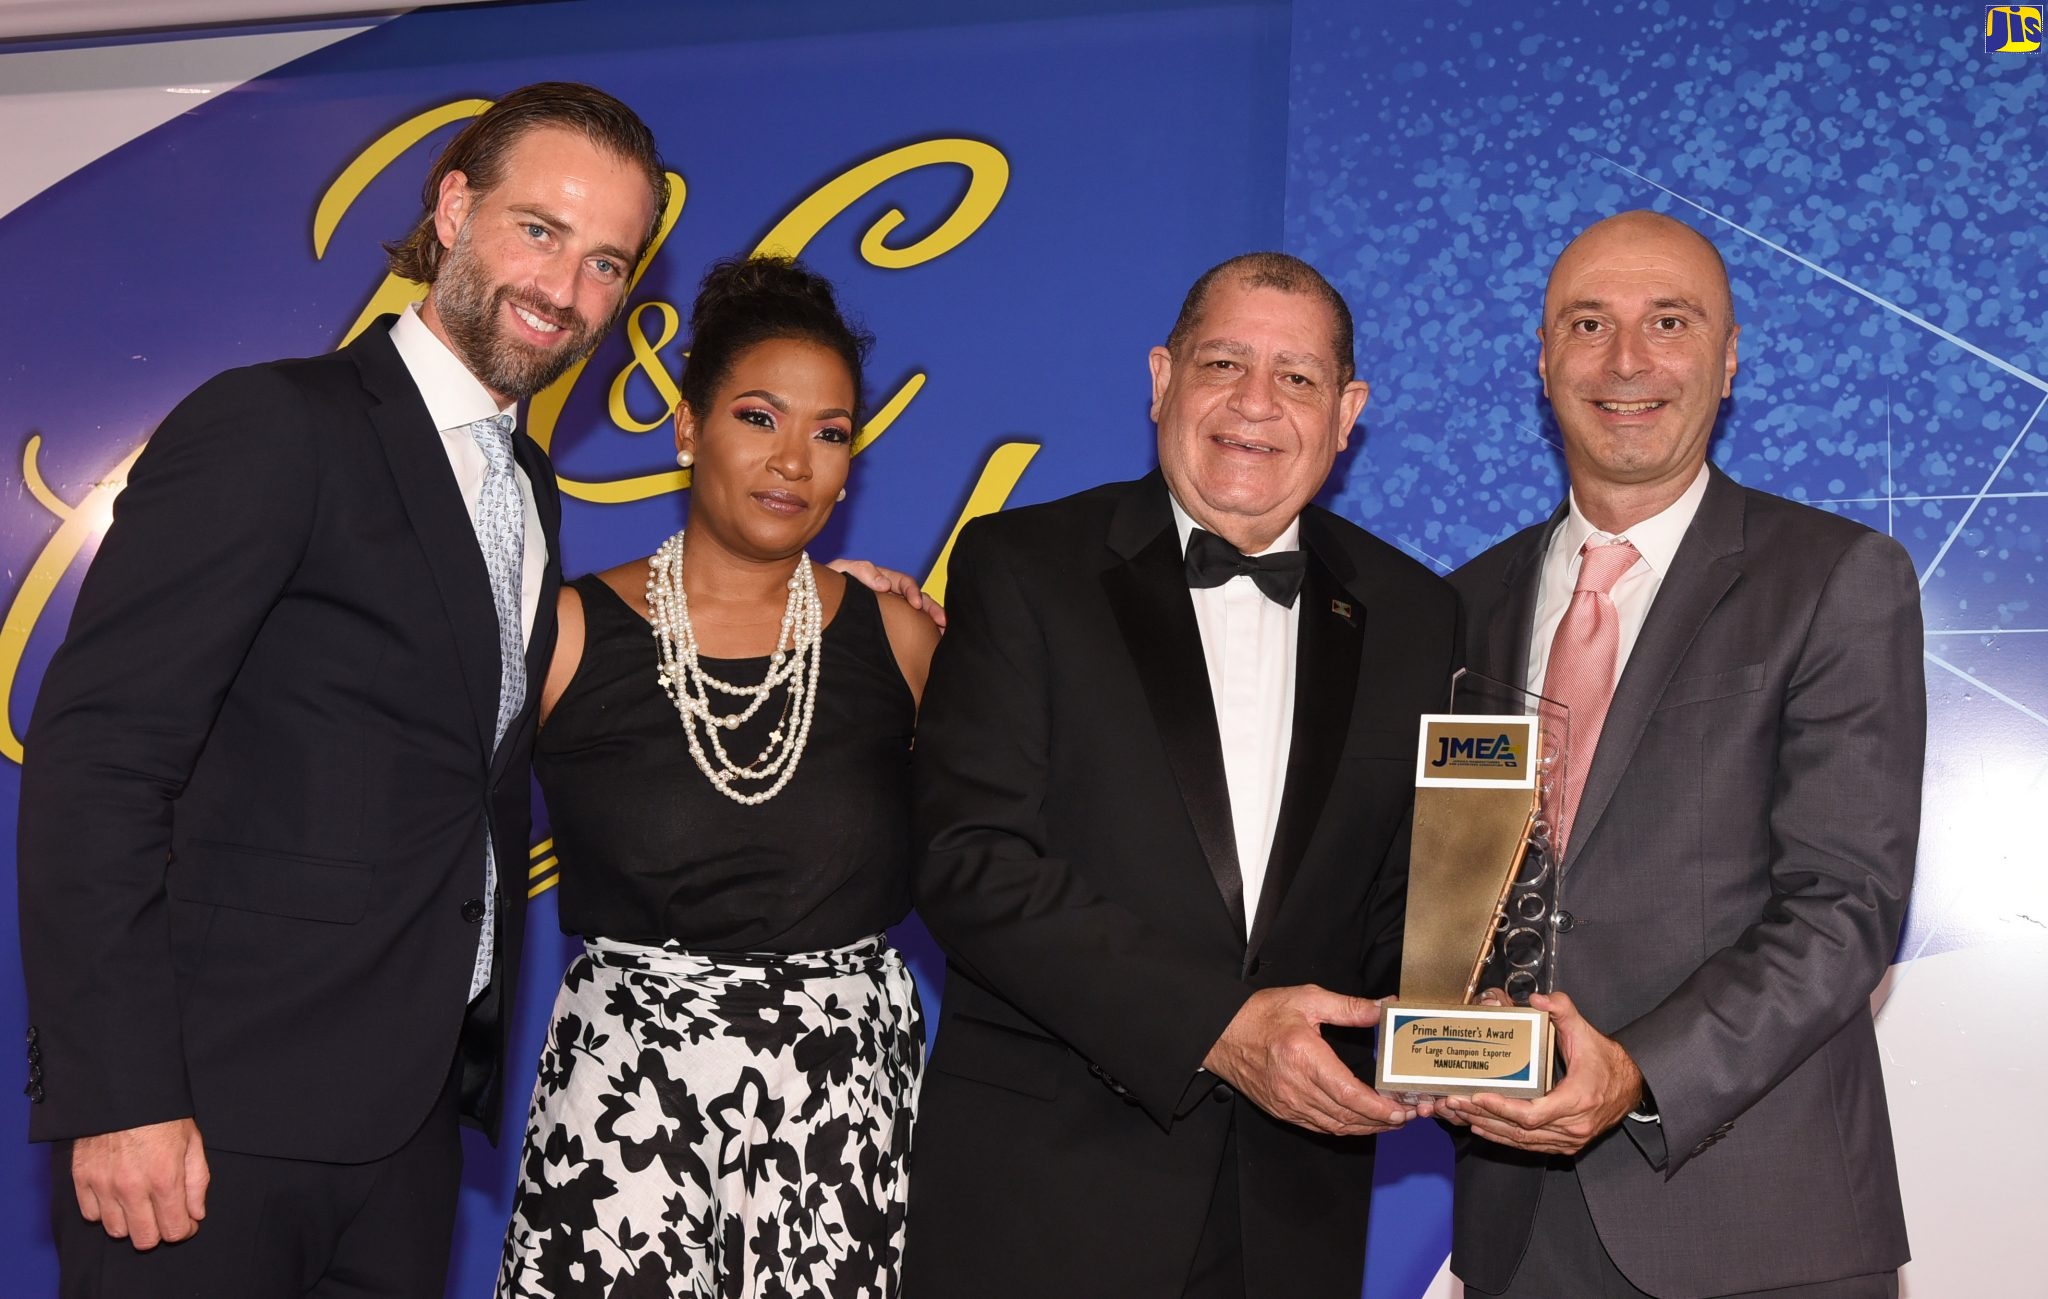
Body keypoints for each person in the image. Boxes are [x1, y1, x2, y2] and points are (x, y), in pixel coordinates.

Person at [15, 82, 668, 1296]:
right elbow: (99, 761)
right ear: (453, 206)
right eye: (539, 230)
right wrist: (119, 1096)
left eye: (606, 264)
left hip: (404, 1133)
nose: (563, 289)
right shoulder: (272, 426)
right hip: (205, 1128)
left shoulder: (527, 489)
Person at [905, 252, 1460, 1299]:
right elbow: (968, 859)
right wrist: (1218, 1025)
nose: (1255, 404)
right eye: (1222, 363)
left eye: (1297, 377)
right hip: (1046, 1201)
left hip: (1291, 1216)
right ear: (1162, 378)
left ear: (1348, 413)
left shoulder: (1415, 614)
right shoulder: (1022, 565)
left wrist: (1457, 1030)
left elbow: (1402, 903)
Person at [1436, 210, 1919, 1298]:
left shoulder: (1834, 577)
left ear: (1728, 357)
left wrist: (1636, 1069)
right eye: (1587, 324)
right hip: (1516, 1225)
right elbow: (1436, 888)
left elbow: (1846, 906)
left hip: (1755, 1222)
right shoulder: (1460, 604)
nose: (1625, 362)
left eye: (1668, 322)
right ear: (1543, 358)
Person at [496, 255, 939, 1299]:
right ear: (687, 428)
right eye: (757, 418)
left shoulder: (904, 641)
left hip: (845, 1112)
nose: (793, 462)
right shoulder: (559, 632)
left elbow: (1017, 858)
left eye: (829, 434)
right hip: (625, 1108)